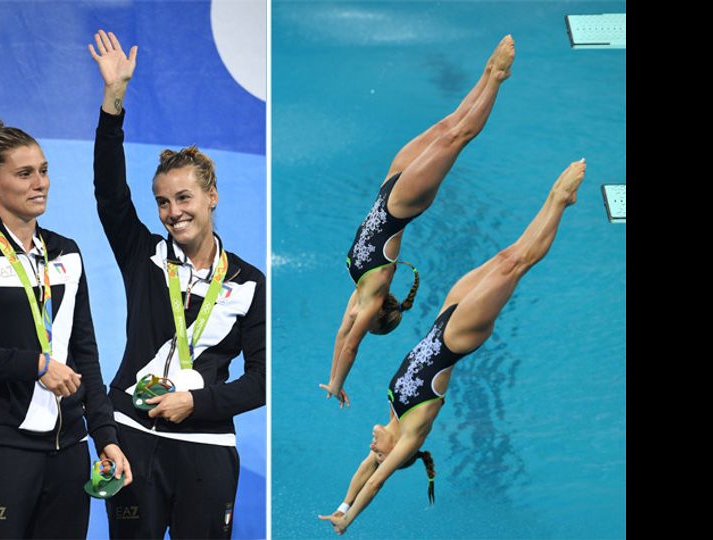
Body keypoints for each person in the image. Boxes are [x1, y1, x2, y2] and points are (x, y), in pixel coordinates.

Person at [319, 160, 586, 535]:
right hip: (456, 339)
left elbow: (366, 471)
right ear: (390, 454)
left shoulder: (396, 418)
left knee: (504, 258)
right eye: (375, 450)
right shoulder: (410, 434)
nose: (371, 442)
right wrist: (349, 518)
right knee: (515, 266)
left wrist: (342, 503)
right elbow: (377, 480)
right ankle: (559, 200)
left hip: (444, 321)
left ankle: (559, 201)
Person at [87, 30, 266, 539]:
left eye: (184, 198)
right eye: (163, 202)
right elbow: (109, 191)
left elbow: (261, 380)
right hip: (132, 437)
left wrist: (198, 403)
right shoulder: (144, 255)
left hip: (206, 446)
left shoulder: (251, 282)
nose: (173, 213)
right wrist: (113, 100)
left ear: (212, 197)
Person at [0, 116, 131, 539]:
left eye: (43, 170)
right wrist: (36, 364)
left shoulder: (67, 253)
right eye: (24, 174)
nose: (40, 182)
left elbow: (86, 356)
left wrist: (105, 436)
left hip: (69, 451)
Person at [321, 36, 516, 408]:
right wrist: (337, 381)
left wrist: (334, 381)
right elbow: (350, 343)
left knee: (448, 126)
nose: (350, 319)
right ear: (375, 316)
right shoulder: (371, 293)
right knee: (459, 137)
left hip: (388, 186)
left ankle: (488, 70)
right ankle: (497, 79)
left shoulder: (359, 291)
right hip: (402, 205)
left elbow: (343, 334)